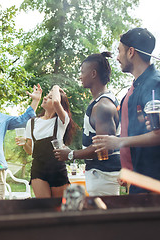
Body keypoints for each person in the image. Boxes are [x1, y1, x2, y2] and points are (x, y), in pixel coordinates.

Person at [93, 28, 160, 194]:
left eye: (120, 51)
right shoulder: (134, 88)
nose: (118, 57)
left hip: (155, 185)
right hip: (137, 180)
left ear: (131, 52)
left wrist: (117, 142)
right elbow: (135, 133)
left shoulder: (156, 85)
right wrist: (126, 167)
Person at [54, 53, 122, 196]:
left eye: (82, 72)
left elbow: (104, 148)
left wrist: (71, 154)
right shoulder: (97, 102)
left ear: (93, 74)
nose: (80, 76)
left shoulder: (103, 106)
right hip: (98, 175)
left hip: (104, 176)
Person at [17, 85, 77, 198]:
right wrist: (24, 143)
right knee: (45, 206)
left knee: (59, 208)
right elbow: (30, 151)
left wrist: (56, 87)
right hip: (38, 169)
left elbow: (56, 102)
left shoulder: (62, 120)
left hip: (57, 168)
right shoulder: (32, 122)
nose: (44, 98)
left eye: (49, 97)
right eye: (46, 96)